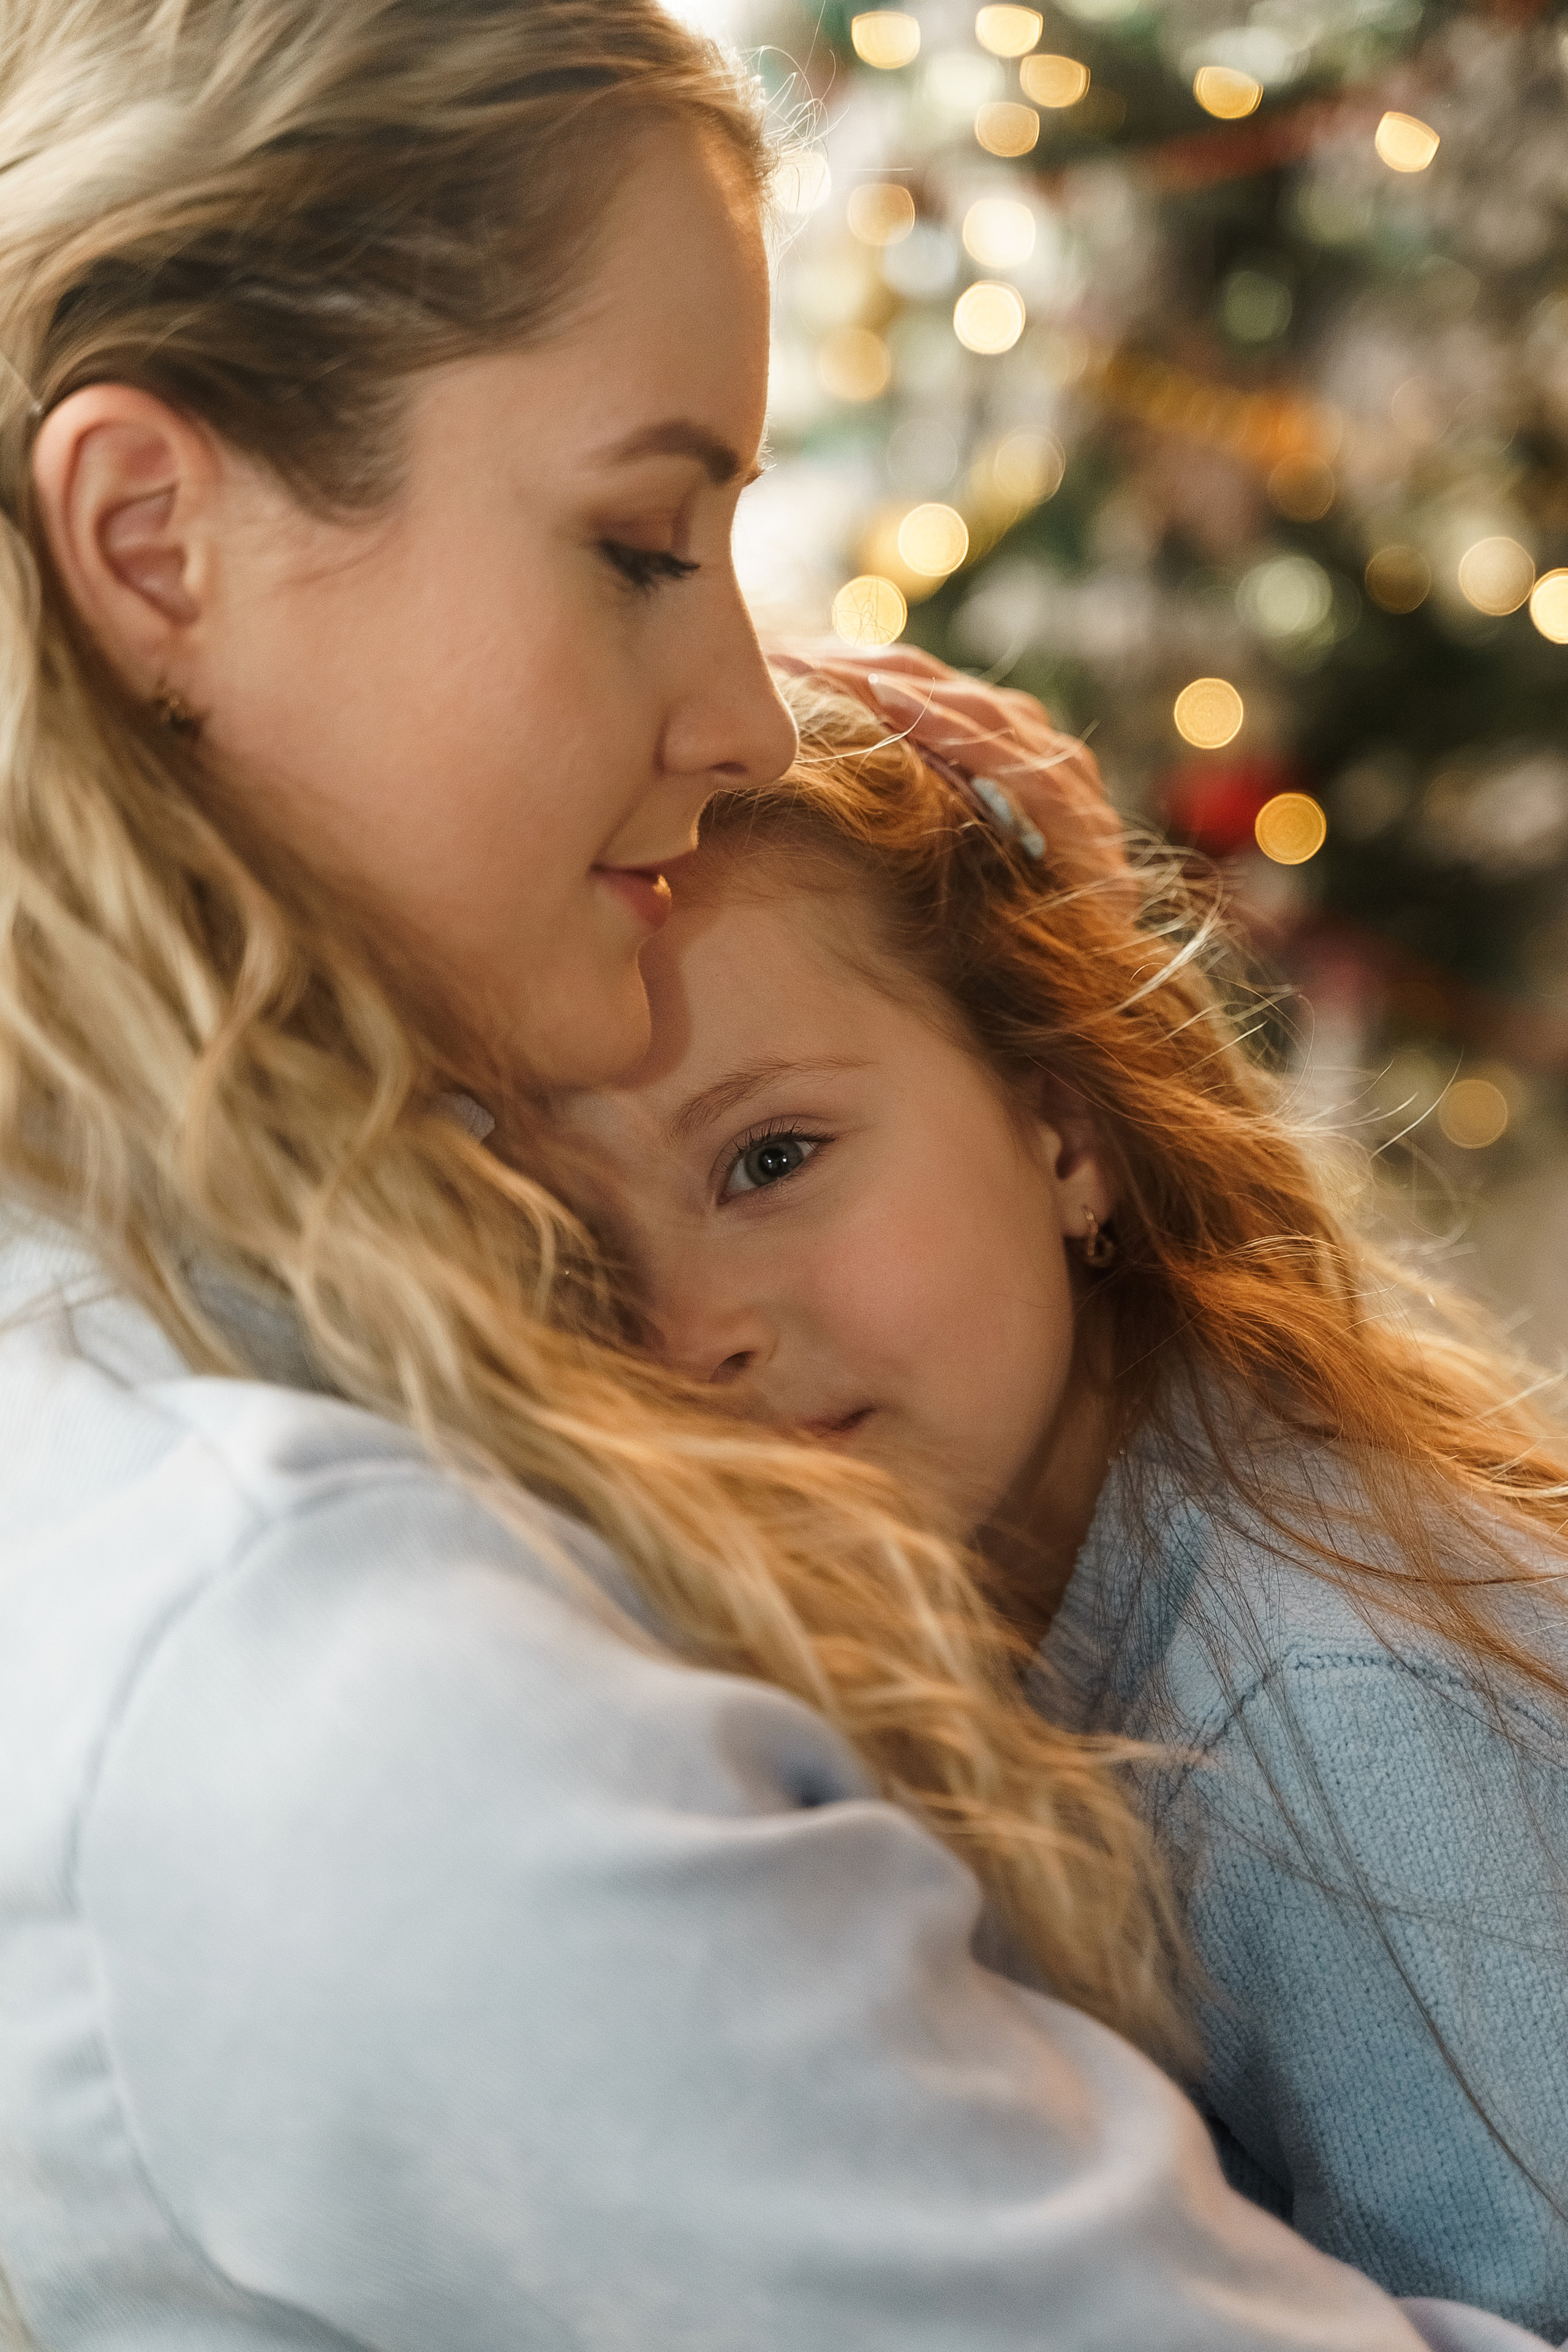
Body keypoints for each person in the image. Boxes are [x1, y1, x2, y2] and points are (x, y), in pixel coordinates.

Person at [0, 2, 1547, 2345]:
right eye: (637, 543)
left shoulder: (1337, 1694)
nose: (742, 705)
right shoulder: (308, 1656)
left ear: (1065, 1129)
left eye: (712, 543)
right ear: (150, 542)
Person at [564, 665, 1568, 2343]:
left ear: (1063, 1129)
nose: (688, 1331)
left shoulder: (1324, 1706)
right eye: (589, 1264)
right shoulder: (1009, 1575)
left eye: (769, 1159)